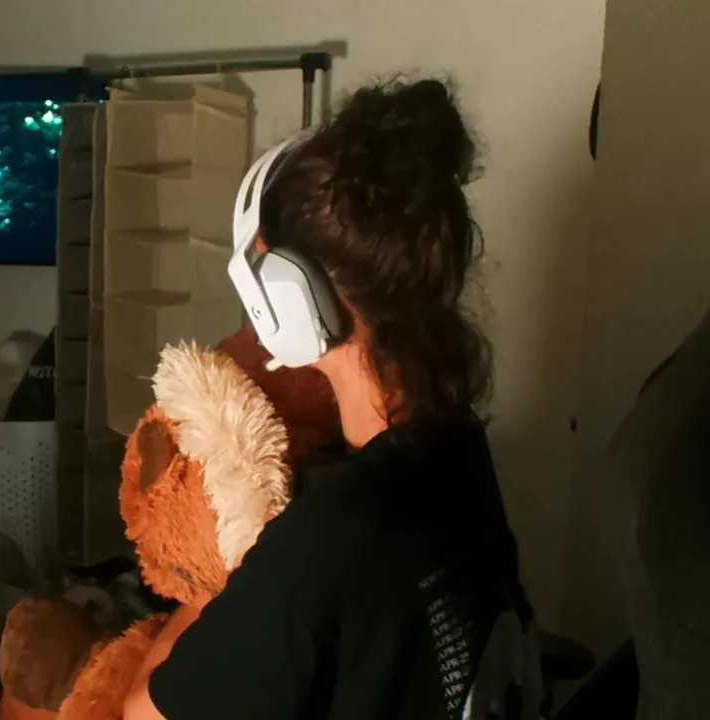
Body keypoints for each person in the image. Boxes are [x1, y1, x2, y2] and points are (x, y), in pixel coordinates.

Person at [124, 78, 540, 719]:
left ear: (287, 300)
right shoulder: (458, 447)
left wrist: (216, 579)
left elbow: (143, 713)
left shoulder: (319, 541)